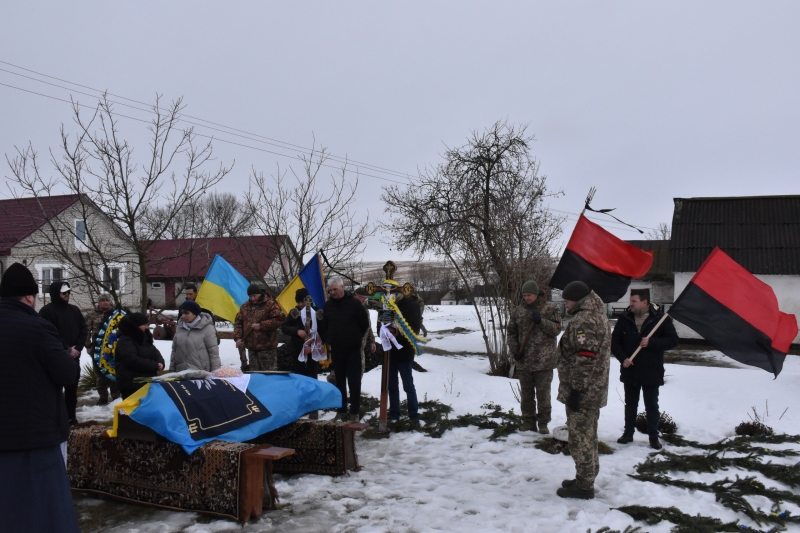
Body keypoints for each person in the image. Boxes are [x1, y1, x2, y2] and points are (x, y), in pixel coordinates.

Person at [0, 263, 81, 533]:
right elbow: (66, 373)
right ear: (29, 297)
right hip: (33, 436)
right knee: (43, 514)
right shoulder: (37, 327)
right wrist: (66, 354)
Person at [555, 281, 610, 500]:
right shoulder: (596, 314)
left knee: (580, 438)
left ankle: (585, 486)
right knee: (588, 434)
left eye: (567, 301)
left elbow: (585, 358)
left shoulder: (585, 319)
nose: (566, 306)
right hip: (592, 388)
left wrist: (576, 390)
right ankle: (585, 477)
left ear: (576, 300)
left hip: (584, 390)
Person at [612, 289, 678, 450]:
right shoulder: (625, 319)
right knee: (630, 404)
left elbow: (673, 340)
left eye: (634, 301)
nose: (631, 304)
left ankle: (653, 437)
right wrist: (623, 358)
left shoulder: (660, 319)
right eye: (630, 300)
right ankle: (628, 433)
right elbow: (615, 343)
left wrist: (652, 343)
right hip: (630, 370)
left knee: (652, 405)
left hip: (651, 370)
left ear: (645, 302)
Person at [507, 280, 561, 434]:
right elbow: (511, 332)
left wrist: (541, 321)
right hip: (524, 362)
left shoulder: (549, 308)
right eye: (524, 295)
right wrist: (515, 350)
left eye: (529, 295)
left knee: (543, 396)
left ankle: (543, 423)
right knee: (526, 396)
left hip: (544, 362)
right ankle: (528, 421)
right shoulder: (518, 311)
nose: (526, 298)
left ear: (536, 294)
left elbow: (557, 329)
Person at [319, 277, 369, 421]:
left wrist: (355, 337)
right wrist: (329, 339)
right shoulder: (328, 305)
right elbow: (325, 325)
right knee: (339, 380)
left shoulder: (354, 304)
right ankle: (341, 411)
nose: (333, 292)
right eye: (331, 290)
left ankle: (354, 412)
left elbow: (364, 324)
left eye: (335, 289)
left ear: (342, 287)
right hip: (337, 348)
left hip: (353, 349)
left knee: (354, 381)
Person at [39, 280, 88, 426]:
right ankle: (55, 419)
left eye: (68, 292)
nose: (67, 295)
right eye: (63, 293)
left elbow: (83, 330)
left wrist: (78, 349)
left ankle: (71, 417)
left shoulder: (74, 310)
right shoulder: (47, 311)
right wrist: (67, 349)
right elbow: (49, 334)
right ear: (56, 293)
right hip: (55, 357)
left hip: (73, 358)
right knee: (55, 390)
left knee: (72, 390)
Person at [381, 290, 423, 424]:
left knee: (408, 385)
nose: (391, 296)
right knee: (392, 385)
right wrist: (386, 333)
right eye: (389, 294)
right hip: (389, 353)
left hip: (405, 351)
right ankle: (394, 413)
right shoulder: (386, 307)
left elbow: (414, 329)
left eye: (394, 294)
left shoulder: (411, 305)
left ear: (400, 293)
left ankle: (413, 415)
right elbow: (380, 329)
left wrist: (396, 332)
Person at [281, 288, 322, 418]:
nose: (300, 305)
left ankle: (313, 408)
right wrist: (297, 331)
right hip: (298, 351)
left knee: (312, 379)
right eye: (298, 302)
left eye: (302, 302)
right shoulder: (294, 313)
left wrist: (313, 347)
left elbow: (322, 332)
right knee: (299, 379)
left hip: (312, 352)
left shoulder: (316, 313)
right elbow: (284, 328)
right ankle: (301, 406)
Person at [234, 284, 283, 371]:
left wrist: (261, 326)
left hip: (267, 348)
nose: (252, 299)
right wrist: (238, 338)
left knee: (269, 376)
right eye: (250, 296)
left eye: (254, 296)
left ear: (259, 294)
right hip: (252, 349)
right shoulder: (245, 307)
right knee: (255, 376)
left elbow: (278, 320)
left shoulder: (270, 305)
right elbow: (238, 323)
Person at [115, 312, 165, 399]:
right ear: (135, 326)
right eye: (144, 325)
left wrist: (160, 362)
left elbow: (154, 351)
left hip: (146, 382)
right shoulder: (125, 340)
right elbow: (131, 360)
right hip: (131, 384)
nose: (147, 327)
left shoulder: (144, 337)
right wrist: (154, 365)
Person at [85, 293, 120, 405]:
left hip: (113, 348)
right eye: (103, 300)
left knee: (113, 371)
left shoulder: (115, 314)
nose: (105, 302)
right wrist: (88, 345)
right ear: (99, 302)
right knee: (100, 373)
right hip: (97, 349)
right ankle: (103, 397)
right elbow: (86, 331)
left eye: (107, 300)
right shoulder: (91, 315)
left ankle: (115, 395)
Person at [170, 300, 221, 373]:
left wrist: (215, 373)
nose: (184, 316)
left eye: (187, 313)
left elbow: (213, 353)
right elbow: (174, 350)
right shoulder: (180, 327)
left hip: (201, 373)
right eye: (182, 313)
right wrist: (172, 370)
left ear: (195, 313)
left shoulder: (208, 328)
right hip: (181, 372)